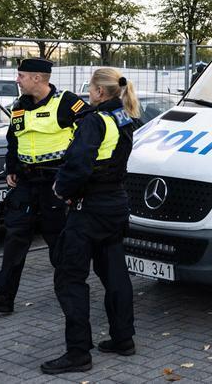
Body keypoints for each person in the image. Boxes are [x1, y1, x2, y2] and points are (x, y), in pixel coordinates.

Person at [40, 67, 139, 374]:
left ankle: (78, 353)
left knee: (69, 278)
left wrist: (62, 190)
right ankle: (123, 339)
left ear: (98, 92)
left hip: (90, 209)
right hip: (116, 205)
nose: (87, 95)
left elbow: (79, 164)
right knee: (115, 274)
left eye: (90, 90)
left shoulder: (94, 121)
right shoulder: (126, 118)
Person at [0, 58, 87, 314]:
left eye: (21, 75)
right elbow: (13, 138)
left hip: (55, 183)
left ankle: (71, 296)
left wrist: (72, 174)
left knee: (59, 241)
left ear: (37, 78)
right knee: (14, 237)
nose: (17, 80)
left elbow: (88, 136)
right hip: (25, 182)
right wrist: (11, 167)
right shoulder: (19, 106)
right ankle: (3, 296)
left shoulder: (66, 102)